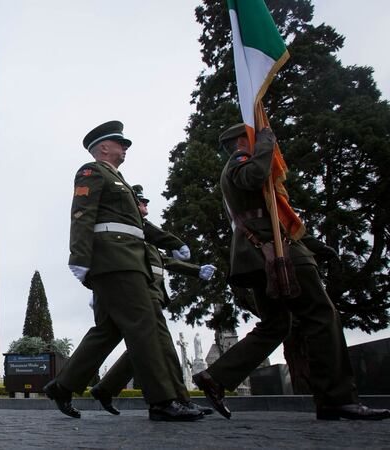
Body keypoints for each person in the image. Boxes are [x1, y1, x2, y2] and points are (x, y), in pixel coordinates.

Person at [191, 124, 389, 421]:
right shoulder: (240, 163)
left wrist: (312, 243)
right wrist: (266, 144)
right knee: (321, 315)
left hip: (259, 254)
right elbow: (255, 178)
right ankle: (336, 398)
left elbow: (274, 215)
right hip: (274, 251)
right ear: (241, 142)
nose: (259, 140)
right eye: (253, 136)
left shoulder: (240, 167)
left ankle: (216, 377)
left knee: (276, 324)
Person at [44, 121, 202, 421]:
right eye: (120, 143)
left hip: (128, 261)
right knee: (145, 328)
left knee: (110, 330)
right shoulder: (92, 172)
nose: (125, 147)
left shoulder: (121, 181)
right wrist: (79, 257)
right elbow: (81, 214)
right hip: (114, 261)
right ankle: (162, 401)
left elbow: (140, 226)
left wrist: (173, 243)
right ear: (104, 147)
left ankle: (63, 386)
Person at [89, 186, 215, 416]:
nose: (146, 206)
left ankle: (107, 388)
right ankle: (173, 401)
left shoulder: (143, 234)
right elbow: (116, 261)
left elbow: (164, 260)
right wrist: (100, 289)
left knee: (151, 348)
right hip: (140, 292)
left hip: (151, 293)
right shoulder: (130, 231)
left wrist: (196, 271)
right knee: (156, 348)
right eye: (142, 202)